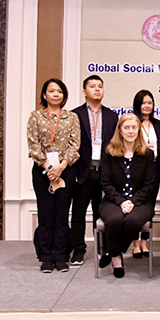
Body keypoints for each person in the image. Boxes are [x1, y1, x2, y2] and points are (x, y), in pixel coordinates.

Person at [27, 78, 80, 273]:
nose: (56, 94)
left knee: (61, 214)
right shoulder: (36, 117)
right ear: (44, 95)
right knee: (46, 214)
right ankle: (46, 256)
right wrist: (49, 167)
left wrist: (61, 167)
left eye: (59, 91)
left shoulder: (71, 117)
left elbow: (75, 145)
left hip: (66, 171)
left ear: (64, 95)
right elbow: (33, 145)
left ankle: (61, 255)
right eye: (51, 91)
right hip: (43, 171)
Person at [98, 114, 155, 278]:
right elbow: (106, 183)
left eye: (134, 128)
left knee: (133, 221)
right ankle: (116, 260)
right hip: (113, 200)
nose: (130, 131)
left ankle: (110, 251)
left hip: (141, 202)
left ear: (138, 130)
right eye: (126, 128)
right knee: (114, 220)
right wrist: (122, 201)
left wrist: (133, 202)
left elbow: (148, 185)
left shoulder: (147, 154)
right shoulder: (109, 153)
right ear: (120, 131)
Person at [69, 75, 118, 266]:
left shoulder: (112, 116)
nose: (97, 89)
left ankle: (102, 249)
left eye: (100, 86)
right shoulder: (75, 115)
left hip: (104, 172)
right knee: (79, 213)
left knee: (102, 213)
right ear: (84, 91)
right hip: (83, 171)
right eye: (92, 86)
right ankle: (78, 250)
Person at [131, 89, 160, 258]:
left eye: (150, 103)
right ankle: (135, 243)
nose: (147, 106)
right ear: (138, 104)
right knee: (136, 205)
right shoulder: (132, 122)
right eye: (144, 102)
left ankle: (145, 242)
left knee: (149, 207)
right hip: (136, 169)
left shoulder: (158, 124)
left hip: (154, 170)